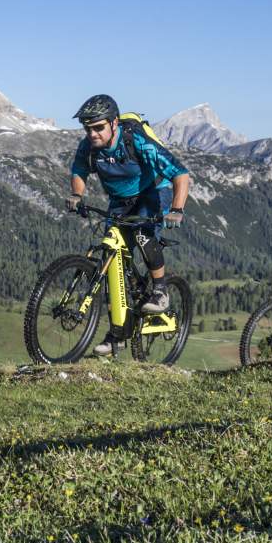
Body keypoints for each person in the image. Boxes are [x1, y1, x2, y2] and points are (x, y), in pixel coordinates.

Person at [68, 94, 192, 354]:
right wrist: (77, 195)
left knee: (144, 236)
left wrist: (177, 210)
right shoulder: (88, 147)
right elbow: (79, 170)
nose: (92, 134)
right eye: (88, 128)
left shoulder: (135, 140)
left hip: (154, 192)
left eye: (98, 127)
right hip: (120, 200)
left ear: (114, 123)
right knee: (112, 266)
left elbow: (180, 174)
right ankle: (118, 334)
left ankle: (160, 292)